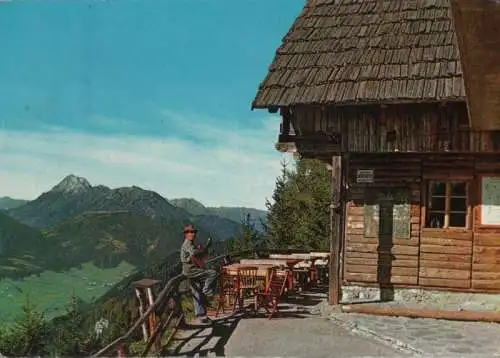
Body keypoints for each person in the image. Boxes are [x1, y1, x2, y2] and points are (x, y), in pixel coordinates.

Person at [180, 224, 218, 324]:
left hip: (191, 269)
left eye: (194, 232)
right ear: (186, 234)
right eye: (190, 232)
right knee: (212, 273)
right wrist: (205, 247)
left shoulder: (190, 243)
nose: (193, 234)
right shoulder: (188, 243)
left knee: (196, 291)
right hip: (191, 269)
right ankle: (207, 290)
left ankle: (201, 315)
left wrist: (201, 248)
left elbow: (195, 254)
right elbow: (194, 254)